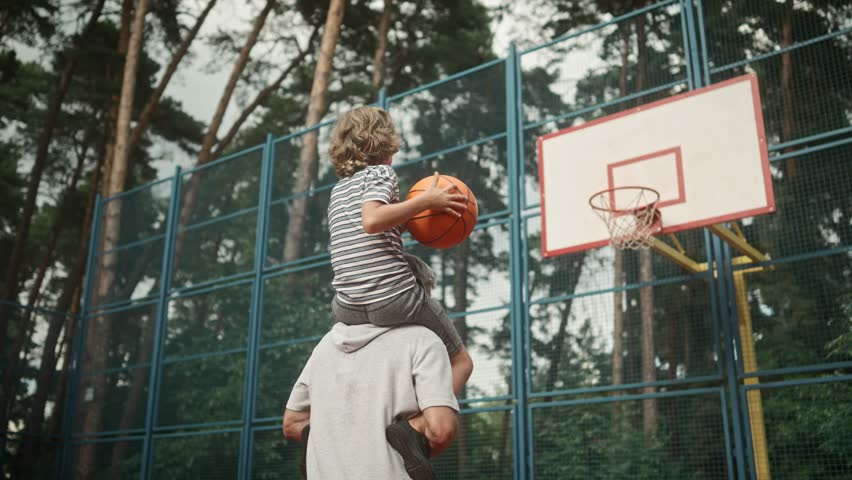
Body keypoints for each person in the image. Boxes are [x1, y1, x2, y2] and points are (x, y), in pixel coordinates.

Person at [324, 106, 474, 468]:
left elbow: (371, 229)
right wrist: (426, 201)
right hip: (392, 297)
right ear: (384, 143)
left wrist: (412, 218)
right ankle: (415, 425)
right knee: (462, 361)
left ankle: (348, 428)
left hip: (347, 304)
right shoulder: (381, 173)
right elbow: (374, 220)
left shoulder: (339, 191)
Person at [282, 320, 460, 479]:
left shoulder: (325, 346)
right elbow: (440, 429)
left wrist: (332, 438)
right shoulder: (422, 338)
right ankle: (413, 427)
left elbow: (292, 423)